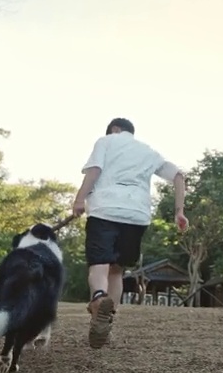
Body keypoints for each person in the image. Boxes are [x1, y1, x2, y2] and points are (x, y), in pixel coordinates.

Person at [71, 117, 188, 348]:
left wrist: (79, 199)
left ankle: (98, 300)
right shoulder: (148, 151)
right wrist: (179, 212)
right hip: (137, 214)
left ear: (115, 129)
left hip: (105, 209)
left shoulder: (106, 141)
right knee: (117, 270)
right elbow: (178, 176)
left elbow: (95, 170)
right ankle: (108, 319)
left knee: (99, 265)